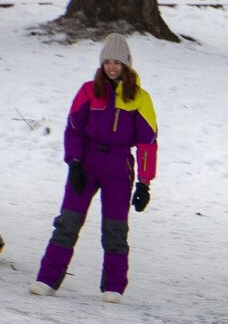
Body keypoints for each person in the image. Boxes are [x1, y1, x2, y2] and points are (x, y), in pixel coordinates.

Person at [30, 33, 158, 303]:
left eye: (118, 62)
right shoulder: (89, 90)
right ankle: (47, 280)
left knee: (115, 229)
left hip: (119, 167)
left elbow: (148, 143)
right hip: (86, 163)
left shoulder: (140, 98)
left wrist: (144, 183)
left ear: (127, 65)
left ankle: (113, 286)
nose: (112, 67)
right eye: (107, 61)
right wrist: (74, 163)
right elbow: (73, 130)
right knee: (67, 222)